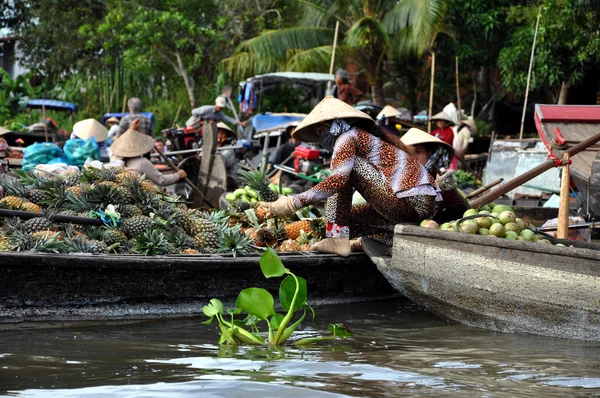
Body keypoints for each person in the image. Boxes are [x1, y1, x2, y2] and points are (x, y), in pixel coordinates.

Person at [257, 97, 441, 257]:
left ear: (335, 126)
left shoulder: (347, 136)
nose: (321, 138)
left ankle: (337, 240)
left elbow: (338, 180)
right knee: (349, 221)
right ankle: (380, 239)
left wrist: (291, 203)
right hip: (413, 209)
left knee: (343, 174)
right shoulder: (362, 137)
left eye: (321, 132)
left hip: (412, 202)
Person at [401, 128, 467, 224]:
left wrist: (442, 190)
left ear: (430, 153)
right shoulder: (399, 176)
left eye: (418, 151)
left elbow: (456, 204)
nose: (412, 157)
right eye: (408, 153)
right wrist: (437, 190)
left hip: (431, 223)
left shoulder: (436, 176)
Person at [110, 120, 187, 186]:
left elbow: (120, 149)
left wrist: (132, 131)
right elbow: (161, 180)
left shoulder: (115, 160)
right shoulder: (142, 162)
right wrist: (178, 175)